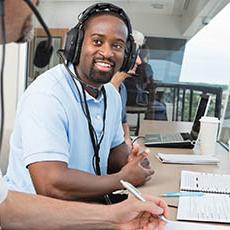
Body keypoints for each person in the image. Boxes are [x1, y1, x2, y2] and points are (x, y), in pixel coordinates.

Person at [0, 1, 170, 229]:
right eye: (97, 41)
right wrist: (124, 178)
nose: (107, 53)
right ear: (76, 44)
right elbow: (51, 185)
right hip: (39, 220)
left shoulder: (110, 94)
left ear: (127, 55)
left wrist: (132, 160)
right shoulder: (48, 94)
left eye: (118, 46)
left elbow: (115, 151)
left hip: (83, 212)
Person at [111, 30, 144, 149]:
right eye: (135, 54)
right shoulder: (98, 90)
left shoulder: (122, 88)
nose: (139, 61)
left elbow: (123, 122)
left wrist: (127, 141)